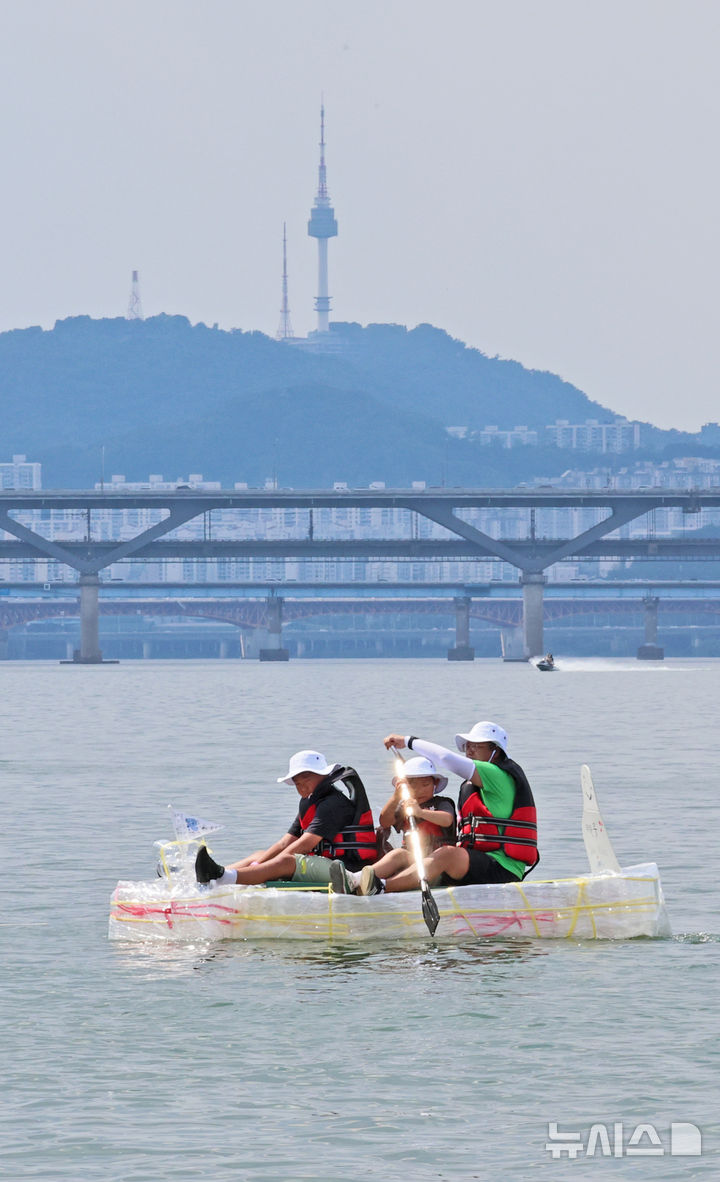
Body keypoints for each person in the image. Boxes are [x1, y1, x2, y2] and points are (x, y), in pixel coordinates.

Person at [353, 722, 538, 895]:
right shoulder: (477, 784)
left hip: (502, 867)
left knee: (447, 853)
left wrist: (408, 741)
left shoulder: (496, 773)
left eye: (477, 745)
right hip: (475, 861)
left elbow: (445, 758)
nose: (470, 750)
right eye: (468, 745)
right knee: (403, 855)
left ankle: (381, 888)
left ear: (495, 751)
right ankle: (355, 881)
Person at [194, 750, 376, 888]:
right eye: (298, 783)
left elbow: (306, 844)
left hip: (346, 870)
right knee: (260, 854)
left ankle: (224, 878)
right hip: (323, 864)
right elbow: (285, 842)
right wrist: (259, 864)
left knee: (286, 862)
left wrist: (267, 868)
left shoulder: (333, 804)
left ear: (324, 775)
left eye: (307, 778)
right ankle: (214, 876)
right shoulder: (311, 802)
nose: (302, 787)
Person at [328, 755, 456, 894]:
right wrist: (396, 797)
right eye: (413, 785)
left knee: (400, 854)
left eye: (425, 785)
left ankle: (367, 883)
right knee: (399, 854)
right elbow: (385, 821)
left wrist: (420, 812)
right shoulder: (404, 806)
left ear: (435, 784)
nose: (419, 790)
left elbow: (447, 819)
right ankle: (356, 879)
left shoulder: (442, 803)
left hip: (436, 865)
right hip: (411, 862)